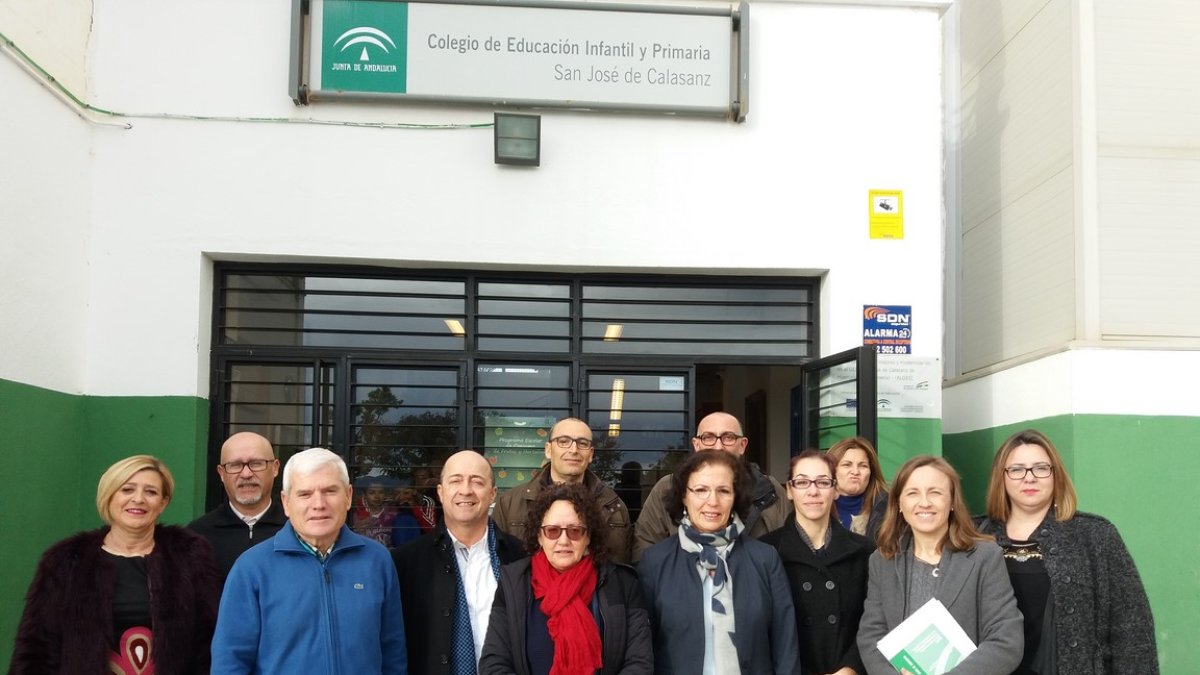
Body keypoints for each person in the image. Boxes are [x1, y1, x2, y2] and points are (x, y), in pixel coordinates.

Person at [11, 455, 219, 674]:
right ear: (109, 495)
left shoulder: (189, 555)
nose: (138, 499)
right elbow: (37, 647)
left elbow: (209, 639)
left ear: (163, 503)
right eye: (127, 490)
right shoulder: (66, 560)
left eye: (151, 492)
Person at [975, 429, 1158, 674]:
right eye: (1017, 469)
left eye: (1041, 468)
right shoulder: (976, 534)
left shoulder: (1094, 535)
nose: (1029, 478)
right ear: (1002, 477)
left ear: (1055, 475)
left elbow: (1132, 630)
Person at [211, 447, 408, 674]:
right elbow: (230, 660)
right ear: (286, 502)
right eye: (305, 494)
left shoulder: (377, 560)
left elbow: (393, 651)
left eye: (330, 491)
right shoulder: (252, 568)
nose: (318, 504)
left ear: (348, 496)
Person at [857, 455, 1023, 675]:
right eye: (913, 493)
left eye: (935, 492)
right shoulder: (882, 560)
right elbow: (871, 635)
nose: (924, 502)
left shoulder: (985, 557)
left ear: (952, 501)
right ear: (898, 503)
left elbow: (1006, 641)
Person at [638, 450, 800, 674]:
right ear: (684, 496)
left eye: (723, 491)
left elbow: (785, 643)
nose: (712, 501)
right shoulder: (655, 562)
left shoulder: (765, 559)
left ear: (736, 497)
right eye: (701, 490)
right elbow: (643, 649)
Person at [479, 482, 653, 675]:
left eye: (574, 531)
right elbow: (494, 663)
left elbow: (639, 663)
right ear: (539, 536)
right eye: (552, 531)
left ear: (588, 536)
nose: (563, 540)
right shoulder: (513, 583)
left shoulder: (622, 585)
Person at [392, 450, 527, 674]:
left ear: (493, 493)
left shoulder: (521, 556)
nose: (466, 490)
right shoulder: (405, 563)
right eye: (456, 481)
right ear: (441, 492)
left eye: (477, 482)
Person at [762, 449, 872, 675]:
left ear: (836, 490)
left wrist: (851, 667)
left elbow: (873, 621)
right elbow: (761, 629)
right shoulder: (765, 551)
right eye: (802, 482)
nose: (813, 491)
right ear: (789, 491)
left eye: (823, 482)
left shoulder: (865, 551)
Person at [633, 411, 789, 562]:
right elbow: (645, 548)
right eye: (709, 437)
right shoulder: (667, 487)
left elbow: (788, 546)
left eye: (728, 437)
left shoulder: (769, 490)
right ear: (696, 444)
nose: (718, 446)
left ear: (742, 445)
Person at [493, 417, 633, 563]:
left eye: (582, 443)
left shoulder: (614, 507)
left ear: (591, 454)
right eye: (564, 441)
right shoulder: (509, 504)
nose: (573, 450)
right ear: (548, 450)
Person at [188, 431, 287, 583]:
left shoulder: (297, 529)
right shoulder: (196, 537)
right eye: (235, 465)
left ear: (275, 468)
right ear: (221, 473)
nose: (246, 474)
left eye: (256, 463)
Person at [827, 436, 888, 543]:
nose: (855, 472)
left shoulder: (889, 507)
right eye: (847, 465)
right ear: (832, 470)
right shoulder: (816, 504)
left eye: (862, 466)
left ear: (871, 472)